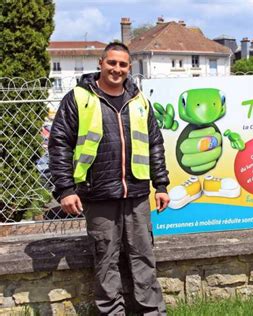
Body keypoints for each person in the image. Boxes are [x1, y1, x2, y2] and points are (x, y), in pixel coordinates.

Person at [49, 42, 170, 315]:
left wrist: (161, 184)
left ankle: (151, 312)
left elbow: (155, 145)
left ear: (129, 68)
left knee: (143, 258)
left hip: (137, 194)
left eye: (123, 64)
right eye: (112, 63)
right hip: (98, 194)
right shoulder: (79, 98)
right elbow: (59, 144)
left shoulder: (139, 101)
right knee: (106, 260)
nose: (117, 69)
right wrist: (66, 189)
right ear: (101, 64)